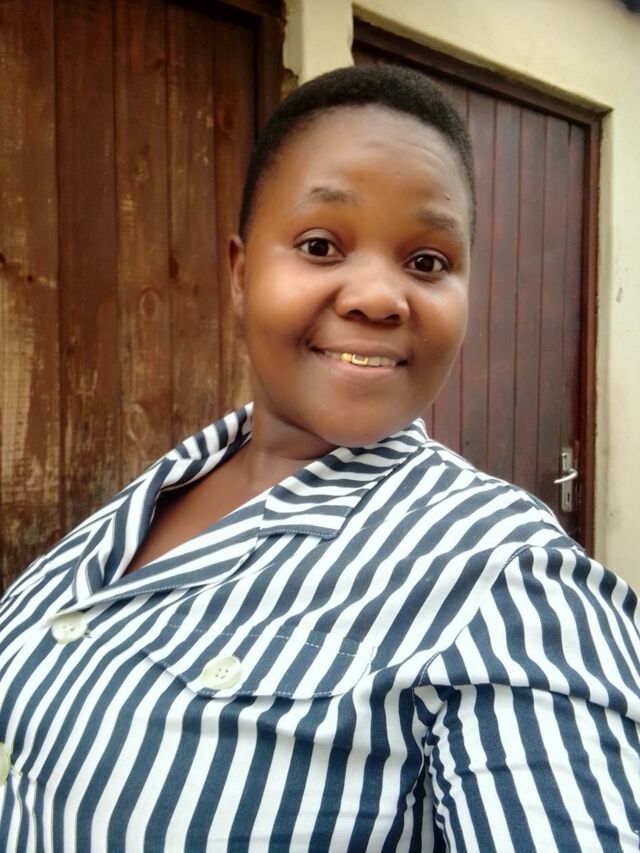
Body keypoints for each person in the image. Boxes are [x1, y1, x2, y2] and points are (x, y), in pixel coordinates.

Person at [0, 64, 638, 852]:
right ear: (241, 274)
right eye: (319, 245)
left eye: (428, 262)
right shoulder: (163, 490)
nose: (378, 296)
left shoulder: (505, 580)